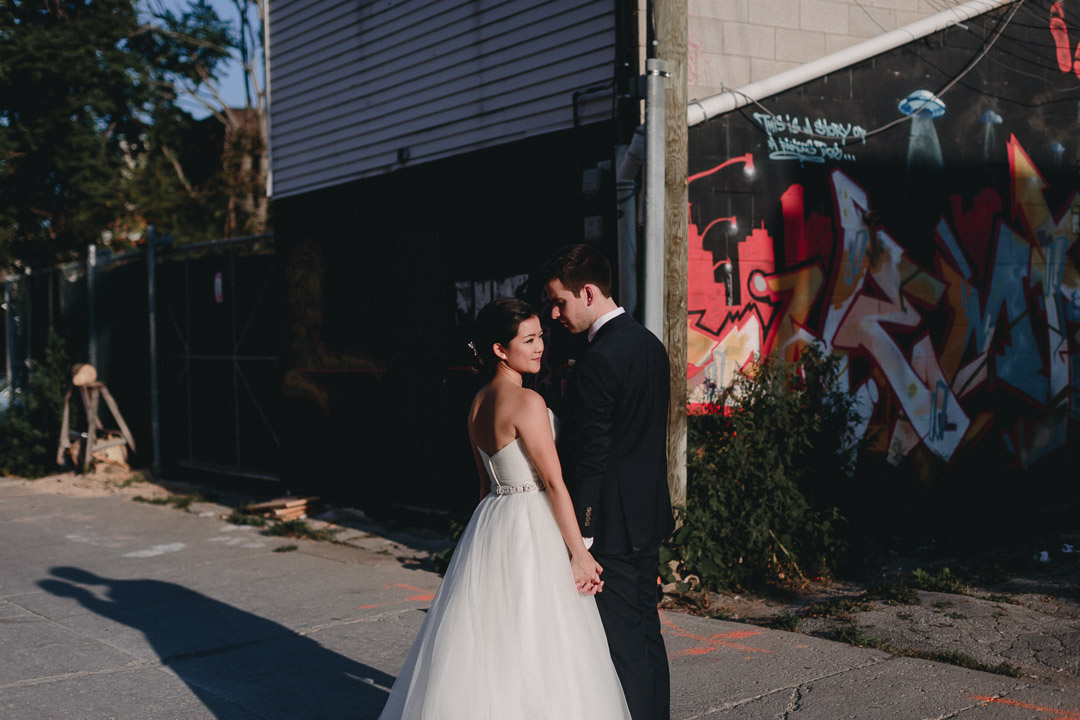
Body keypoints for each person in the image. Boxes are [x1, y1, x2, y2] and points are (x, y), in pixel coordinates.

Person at [377, 297, 632, 720]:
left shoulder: (477, 402)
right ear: (500, 349)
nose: (539, 348)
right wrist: (579, 553)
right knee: (542, 638)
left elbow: (484, 484)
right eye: (529, 340)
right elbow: (553, 483)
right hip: (531, 521)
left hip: (492, 520)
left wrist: (477, 550)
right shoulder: (527, 403)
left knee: (492, 639)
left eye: (540, 338)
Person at [542, 244, 675, 720]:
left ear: (589, 292)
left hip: (612, 526)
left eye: (560, 302)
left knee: (623, 646)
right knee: (646, 631)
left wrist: (582, 533)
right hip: (648, 514)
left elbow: (592, 456)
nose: (555, 313)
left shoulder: (599, 359)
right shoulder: (649, 343)